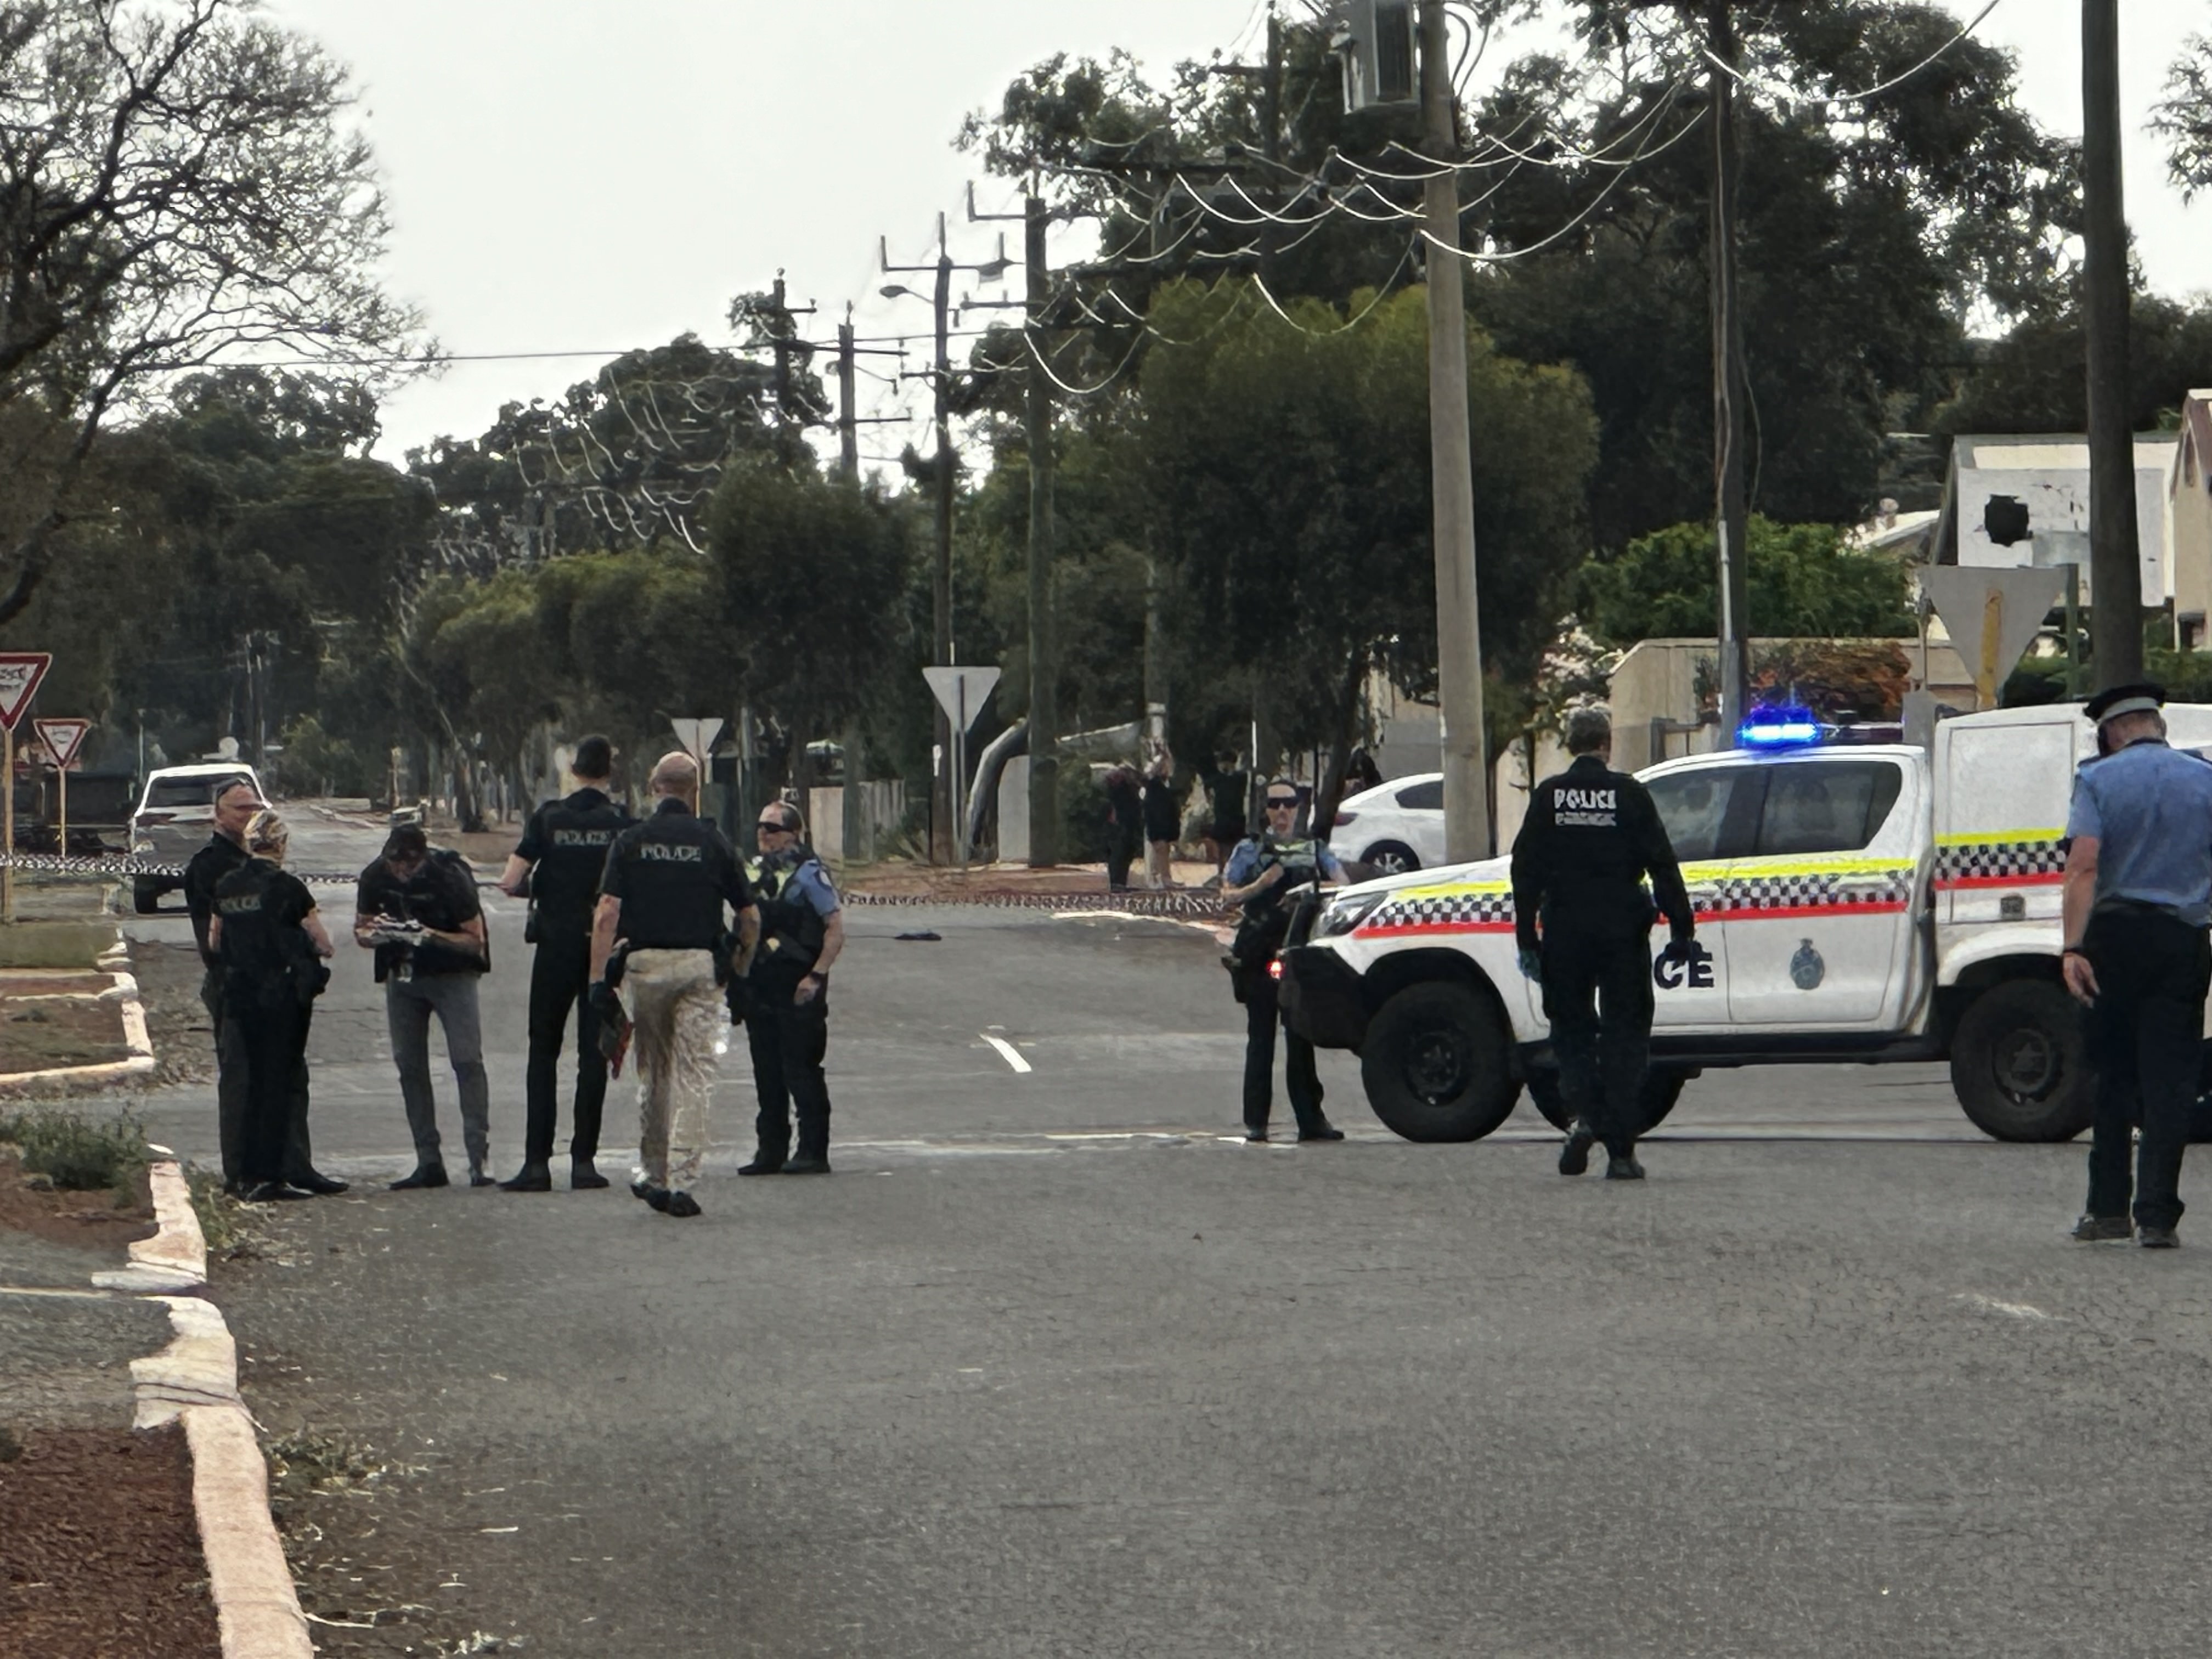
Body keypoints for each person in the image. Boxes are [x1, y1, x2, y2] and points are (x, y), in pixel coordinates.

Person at [1510, 708, 1694, 1181]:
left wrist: (1527, 937)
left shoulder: (1550, 797)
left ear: (1571, 745)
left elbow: (1524, 869)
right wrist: (1681, 926)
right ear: (1606, 745)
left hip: (1566, 929)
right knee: (1625, 1036)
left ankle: (1585, 1115)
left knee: (1570, 1033)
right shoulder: (1630, 795)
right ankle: (1621, 1153)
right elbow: (1662, 861)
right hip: (1622, 932)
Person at [2060, 682, 2212, 1248]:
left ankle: (2106, 1211)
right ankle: (2157, 1217)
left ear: (2111, 733)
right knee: (2171, 1082)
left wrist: (2073, 947)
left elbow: (2083, 867)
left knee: (2114, 1076)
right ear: (2158, 727)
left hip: (2114, 939)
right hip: (2181, 939)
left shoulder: (2096, 780)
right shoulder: (2205, 779)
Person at [591, 752, 759, 1219]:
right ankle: (682, 1181)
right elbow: (749, 916)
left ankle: (652, 1172)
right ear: (694, 790)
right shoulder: (714, 842)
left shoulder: (631, 841)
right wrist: (740, 969)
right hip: (698, 968)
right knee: (695, 1075)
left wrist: (597, 980)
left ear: (653, 787)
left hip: (644, 967)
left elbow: (607, 912)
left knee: (655, 1072)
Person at [184, 778, 342, 1196]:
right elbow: (211, 940)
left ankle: (294, 1165)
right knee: (244, 1081)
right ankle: (243, 1173)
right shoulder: (209, 866)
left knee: (288, 1078)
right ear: (217, 815)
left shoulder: (272, 873)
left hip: (282, 991)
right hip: (236, 987)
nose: (249, 814)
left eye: (255, 806)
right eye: (239, 808)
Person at [495, 736, 634, 1193]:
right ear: (609, 773)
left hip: (554, 947)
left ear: (574, 771)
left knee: (544, 1052)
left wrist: (543, 888)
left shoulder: (548, 818)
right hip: (602, 951)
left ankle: (536, 1164)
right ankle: (584, 1162)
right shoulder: (621, 825)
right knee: (592, 1054)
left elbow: (510, 880)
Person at [355, 823, 494, 1190]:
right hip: (402, 975)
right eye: (395, 865)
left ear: (424, 858)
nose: (402, 872)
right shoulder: (374, 876)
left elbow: (473, 940)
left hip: (452, 974)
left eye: (410, 865)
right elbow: (362, 929)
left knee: (466, 1059)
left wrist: (429, 935)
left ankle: (478, 1155)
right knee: (410, 1065)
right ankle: (428, 1160)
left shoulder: (449, 877)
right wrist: (380, 933)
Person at [1221, 778, 1346, 1143]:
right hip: (1260, 951)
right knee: (1261, 1039)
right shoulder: (1250, 849)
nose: (1281, 812)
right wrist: (1260, 885)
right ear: (1265, 810)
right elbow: (1227, 895)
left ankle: (1311, 1120)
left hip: (1298, 952)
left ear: (1297, 808)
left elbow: (1344, 884)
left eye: (1288, 804)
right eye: (1274, 805)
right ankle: (1256, 1122)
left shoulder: (1313, 849)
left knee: (1301, 1038)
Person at [738, 799, 845, 1176]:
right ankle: (770, 1149)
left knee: (801, 1067)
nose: (764, 835)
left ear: (793, 834)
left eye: (773, 828)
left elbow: (834, 928)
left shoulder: (810, 874)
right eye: (761, 828)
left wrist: (816, 975)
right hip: (761, 984)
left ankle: (813, 1150)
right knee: (765, 1069)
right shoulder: (752, 873)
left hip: (798, 982)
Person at [1201, 753, 1249, 888]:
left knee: (1235, 851)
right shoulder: (1218, 779)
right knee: (1222, 851)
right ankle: (1222, 875)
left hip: (1236, 820)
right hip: (1223, 819)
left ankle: (1233, 876)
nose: (1225, 767)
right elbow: (1207, 784)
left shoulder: (1239, 779)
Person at [1141, 745, 1181, 890]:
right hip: (1157, 825)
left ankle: (1166, 878)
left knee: (1164, 853)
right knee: (1158, 853)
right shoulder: (1154, 787)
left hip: (1164, 825)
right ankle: (1158, 879)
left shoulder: (1163, 787)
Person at [1103, 764, 1143, 893]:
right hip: (1122, 824)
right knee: (1119, 853)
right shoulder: (1116, 792)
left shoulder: (1125, 789)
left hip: (1128, 823)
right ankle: (1117, 883)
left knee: (1125, 853)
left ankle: (1120, 882)